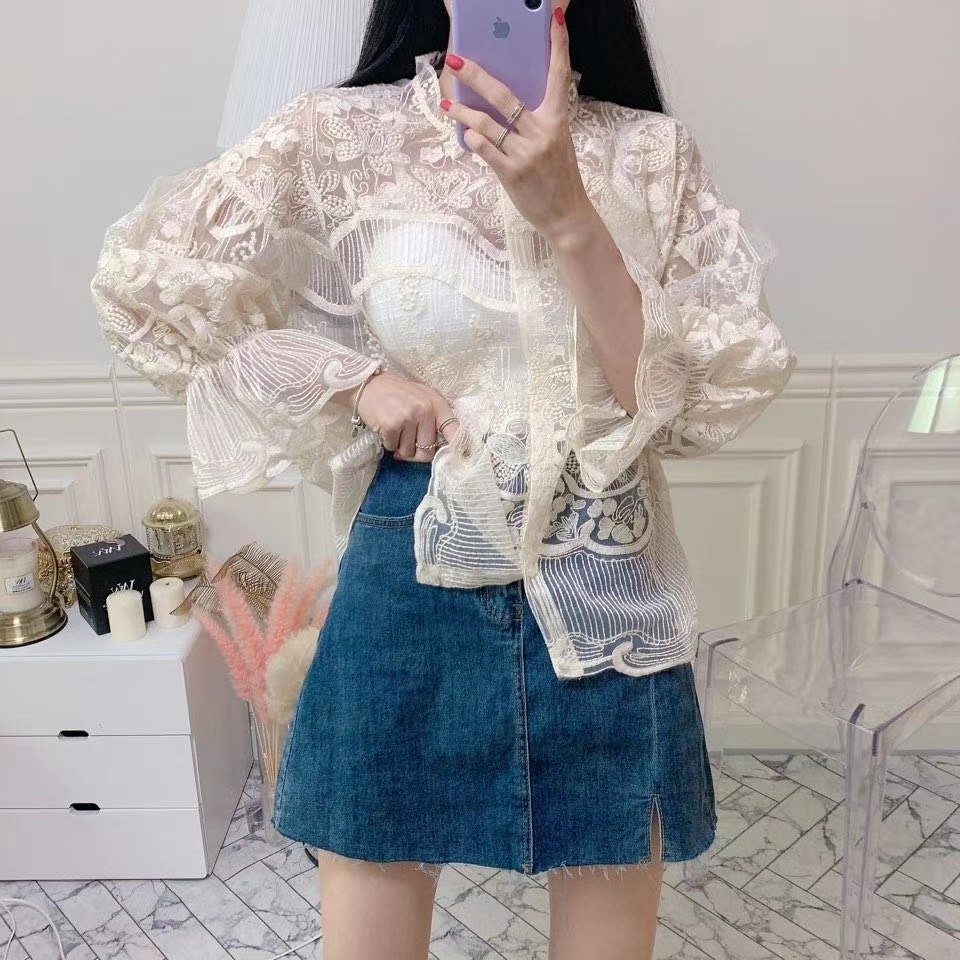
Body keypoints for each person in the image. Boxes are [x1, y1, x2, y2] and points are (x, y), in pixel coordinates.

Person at [91, 1, 797, 957]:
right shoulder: (341, 135)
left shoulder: (651, 155)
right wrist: (354, 380)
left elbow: (677, 407)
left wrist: (570, 214)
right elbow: (147, 285)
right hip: (411, 559)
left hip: (605, 587)